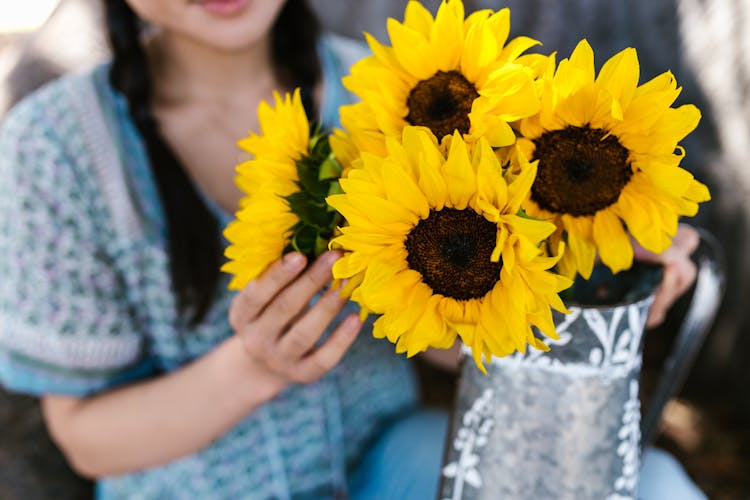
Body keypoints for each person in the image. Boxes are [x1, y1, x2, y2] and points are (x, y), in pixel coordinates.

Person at [0, 0, 705, 499]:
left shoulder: (403, 94)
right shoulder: (55, 148)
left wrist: (592, 297)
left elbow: (446, 340)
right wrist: (257, 366)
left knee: (653, 487)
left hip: (391, 462)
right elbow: (86, 439)